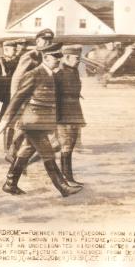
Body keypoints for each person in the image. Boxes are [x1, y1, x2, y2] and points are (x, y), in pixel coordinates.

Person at [0, 43, 82, 197]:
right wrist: (5, 120)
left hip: (43, 121)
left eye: (59, 56)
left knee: (26, 150)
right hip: (32, 122)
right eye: (56, 57)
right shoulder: (34, 74)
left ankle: (10, 183)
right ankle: (62, 187)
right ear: (46, 57)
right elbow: (18, 98)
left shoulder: (53, 74)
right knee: (48, 154)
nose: (59, 60)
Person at [6, 29, 55, 163]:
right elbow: (17, 78)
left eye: (50, 40)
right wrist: (16, 99)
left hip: (40, 99)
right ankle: (13, 152)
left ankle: (17, 154)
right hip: (27, 98)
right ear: (37, 41)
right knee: (25, 126)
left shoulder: (49, 56)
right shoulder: (31, 56)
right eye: (45, 40)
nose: (48, 43)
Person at [54, 46, 86, 187]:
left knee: (70, 144)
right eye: (77, 58)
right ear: (66, 57)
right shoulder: (59, 73)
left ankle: (68, 176)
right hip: (64, 114)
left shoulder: (74, 71)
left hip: (74, 112)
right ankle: (67, 177)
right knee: (66, 145)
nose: (79, 61)